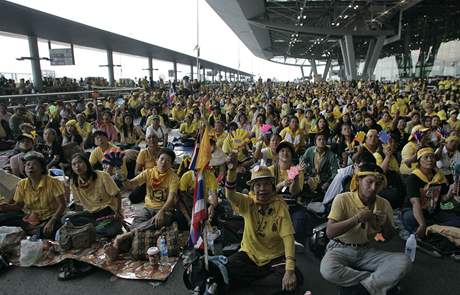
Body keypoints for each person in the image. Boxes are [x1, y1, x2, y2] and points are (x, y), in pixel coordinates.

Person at [320, 162, 411, 295]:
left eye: (378, 184)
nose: (374, 187)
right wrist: (356, 219)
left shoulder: (383, 204)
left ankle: (361, 289)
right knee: (328, 270)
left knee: (404, 261)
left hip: (365, 250)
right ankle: (376, 282)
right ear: (359, 180)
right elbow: (330, 232)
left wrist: (385, 223)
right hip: (339, 247)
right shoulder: (342, 199)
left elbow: (387, 238)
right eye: (369, 182)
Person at [225, 155, 302, 294]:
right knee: (227, 266)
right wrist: (231, 170)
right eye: (258, 185)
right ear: (253, 188)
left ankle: (251, 287)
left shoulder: (280, 206)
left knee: (296, 277)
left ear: (272, 187)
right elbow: (230, 195)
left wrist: (289, 270)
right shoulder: (247, 202)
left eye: (266, 184)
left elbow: (288, 238)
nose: (262, 189)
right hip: (250, 256)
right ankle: (260, 287)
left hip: (274, 259)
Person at [0, 151, 65, 239]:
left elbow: (62, 205)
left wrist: (52, 221)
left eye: (35, 164)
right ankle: (33, 229)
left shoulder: (53, 182)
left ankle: (36, 231)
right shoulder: (22, 184)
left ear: (42, 169)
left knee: (49, 232)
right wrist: (6, 207)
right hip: (32, 217)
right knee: (3, 219)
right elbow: (19, 206)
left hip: (51, 216)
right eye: (28, 165)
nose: (30, 167)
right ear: (24, 168)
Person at [401, 147, 460, 236]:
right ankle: (431, 227)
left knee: (457, 221)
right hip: (414, 210)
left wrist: (450, 193)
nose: (430, 160)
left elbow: (442, 199)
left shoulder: (438, 176)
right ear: (419, 160)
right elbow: (415, 203)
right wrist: (422, 224)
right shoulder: (413, 178)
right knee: (410, 218)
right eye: (426, 157)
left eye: (432, 157)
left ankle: (432, 228)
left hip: (432, 210)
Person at [62, 153, 122, 237]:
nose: (77, 166)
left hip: (108, 212)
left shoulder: (102, 175)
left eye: (80, 162)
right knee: (66, 219)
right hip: (92, 215)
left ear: (87, 163)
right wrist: (79, 218)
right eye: (74, 164)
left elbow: (117, 194)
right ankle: (94, 228)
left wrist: (118, 212)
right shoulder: (74, 183)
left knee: (111, 230)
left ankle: (94, 229)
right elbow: (78, 204)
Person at [123, 148, 179, 229]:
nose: (163, 163)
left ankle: (132, 231)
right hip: (148, 208)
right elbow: (130, 184)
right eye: (162, 159)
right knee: (137, 222)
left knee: (160, 221)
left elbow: (171, 198)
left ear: (171, 164)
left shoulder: (174, 177)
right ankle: (139, 228)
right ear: (156, 160)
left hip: (165, 210)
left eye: (167, 161)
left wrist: (161, 212)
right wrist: (123, 179)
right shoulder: (148, 172)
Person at [301, 133, 339, 197]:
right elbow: (302, 160)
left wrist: (328, 183)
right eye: (319, 139)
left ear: (326, 142)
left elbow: (335, 171)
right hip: (311, 176)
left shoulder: (331, 155)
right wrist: (305, 167)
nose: (322, 141)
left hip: (323, 180)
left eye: (324, 139)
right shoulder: (310, 150)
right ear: (315, 142)